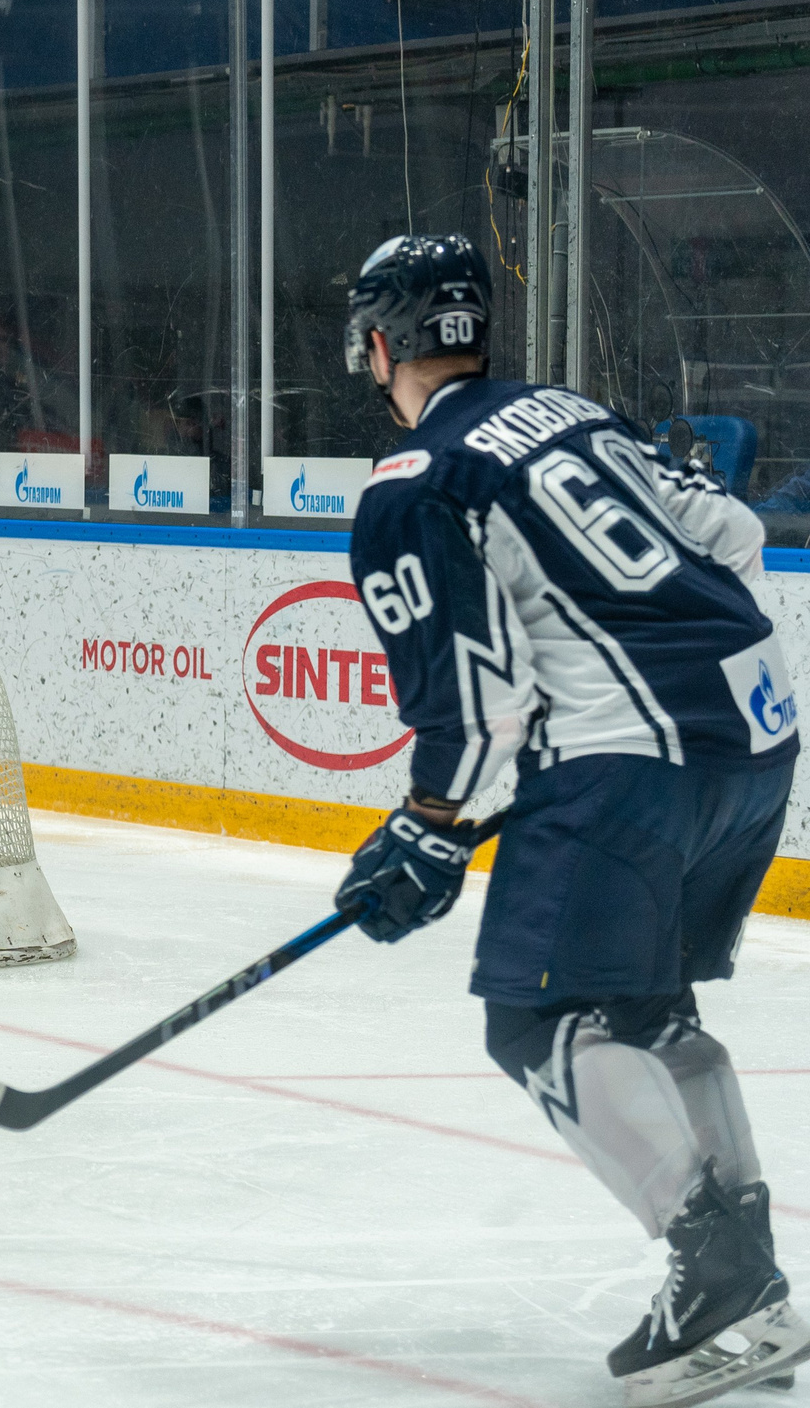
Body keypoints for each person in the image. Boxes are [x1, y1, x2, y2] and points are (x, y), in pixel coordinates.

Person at [330, 233, 809, 1406]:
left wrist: (430, 823)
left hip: (630, 758)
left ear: (381, 342)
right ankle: (753, 1288)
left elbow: (472, 690)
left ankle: (723, 1282)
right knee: (643, 1008)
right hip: (756, 728)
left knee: (537, 1021)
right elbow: (734, 536)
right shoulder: (572, 411)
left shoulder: (411, 482)